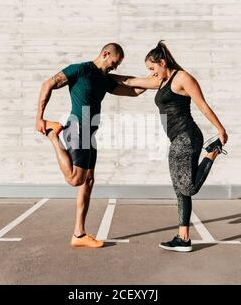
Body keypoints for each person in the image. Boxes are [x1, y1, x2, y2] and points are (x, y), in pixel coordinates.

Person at [35, 43, 157, 248]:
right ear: (106, 54)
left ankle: (79, 234)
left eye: (117, 65)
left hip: (90, 133)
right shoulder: (80, 69)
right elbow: (48, 84)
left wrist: (152, 82)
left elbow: (133, 92)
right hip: (76, 127)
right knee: (75, 179)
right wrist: (40, 118)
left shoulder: (104, 79)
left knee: (88, 181)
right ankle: (52, 135)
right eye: (114, 63)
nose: (114, 68)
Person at [111, 41, 228, 252]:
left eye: (152, 68)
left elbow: (203, 106)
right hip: (177, 139)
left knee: (188, 187)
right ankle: (183, 238)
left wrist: (220, 129)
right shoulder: (162, 81)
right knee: (180, 189)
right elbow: (130, 82)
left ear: (163, 63)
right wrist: (99, 75)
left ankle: (213, 152)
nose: (151, 74)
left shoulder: (182, 78)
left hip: (188, 136)